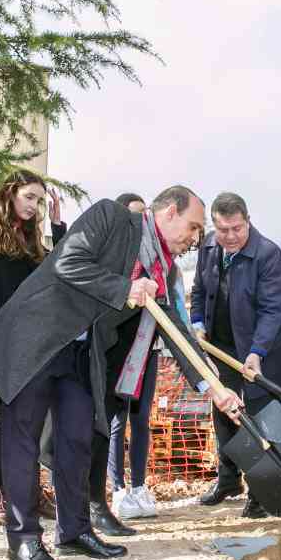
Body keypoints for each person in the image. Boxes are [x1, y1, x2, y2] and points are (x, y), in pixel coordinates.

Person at [0, 186, 242, 560]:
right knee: (23, 439)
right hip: (37, 339)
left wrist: (213, 386)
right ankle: (23, 539)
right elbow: (69, 262)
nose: (195, 238)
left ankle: (74, 530)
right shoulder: (110, 218)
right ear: (167, 212)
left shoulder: (159, 266)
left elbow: (174, 329)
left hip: (81, 353)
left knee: (79, 438)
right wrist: (124, 288)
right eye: (193, 226)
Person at [191, 192, 281, 519]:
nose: (230, 236)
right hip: (222, 348)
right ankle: (228, 480)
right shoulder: (209, 247)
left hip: (263, 350)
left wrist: (256, 353)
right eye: (223, 229)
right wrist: (197, 324)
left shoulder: (267, 254)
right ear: (214, 226)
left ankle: (260, 490)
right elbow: (199, 290)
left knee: (259, 421)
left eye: (236, 228)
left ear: (247, 221)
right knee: (225, 414)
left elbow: (271, 311)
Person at [0, 170, 64, 512]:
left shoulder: (34, 241)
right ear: (11, 193)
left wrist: (58, 225)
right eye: (29, 197)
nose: (34, 206)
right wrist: (8, 330)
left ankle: (30, 494)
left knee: (28, 421)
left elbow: (60, 269)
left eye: (39, 200)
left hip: (27, 346)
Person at [103, 191, 159, 521]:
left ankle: (139, 486)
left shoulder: (155, 260)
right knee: (116, 422)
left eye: (144, 215)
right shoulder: (111, 258)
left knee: (141, 421)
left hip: (147, 349)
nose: (140, 222)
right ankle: (118, 488)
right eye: (133, 215)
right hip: (118, 352)